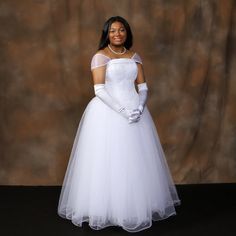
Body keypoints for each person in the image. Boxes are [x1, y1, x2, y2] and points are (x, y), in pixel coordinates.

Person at [57, 16, 181, 233]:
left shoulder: (135, 56)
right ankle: (107, 208)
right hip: (108, 112)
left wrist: (140, 107)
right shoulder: (100, 57)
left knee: (134, 160)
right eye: (113, 30)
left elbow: (142, 86)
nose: (117, 34)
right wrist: (122, 111)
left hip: (135, 111)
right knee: (109, 160)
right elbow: (99, 90)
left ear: (127, 32)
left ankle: (132, 207)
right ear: (106, 33)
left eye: (121, 30)